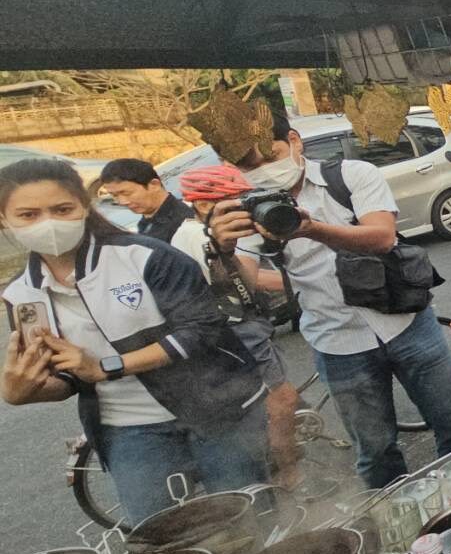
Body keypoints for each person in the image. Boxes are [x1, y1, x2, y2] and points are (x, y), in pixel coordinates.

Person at [208, 107, 451, 488]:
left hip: (406, 323)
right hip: (337, 342)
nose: (264, 170)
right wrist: (222, 250)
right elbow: (245, 283)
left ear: (294, 141)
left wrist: (312, 229)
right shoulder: (250, 211)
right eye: (249, 166)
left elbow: (381, 237)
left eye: (270, 156)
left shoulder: (352, 175)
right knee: (376, 452)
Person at [2, 158, 270, 524]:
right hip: (128, 431)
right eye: (28, 215)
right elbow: (70, 375)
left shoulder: (144, 256)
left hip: (215, 410)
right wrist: (25, 391)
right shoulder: (21, 294)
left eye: (61, 209)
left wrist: (106, 367)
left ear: (84, 206)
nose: (47, 223)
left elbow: (201, 330)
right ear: (5, 219)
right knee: (158, 538)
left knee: (248, 521)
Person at [172, 164, 305, 488]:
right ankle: (288, 474)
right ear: (203, 205)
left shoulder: (192, 233)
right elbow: (226, 289)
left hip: (237, 328)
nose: (243, 208)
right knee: (283, 399)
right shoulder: (195, 237)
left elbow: (244, 280)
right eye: (232, 201)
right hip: (235, 330)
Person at [100, 158, 193, 242]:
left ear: (154, 185)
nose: (122, 202)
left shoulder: (184, 224)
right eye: (114, 195)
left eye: (127, 193)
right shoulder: (148, 219)